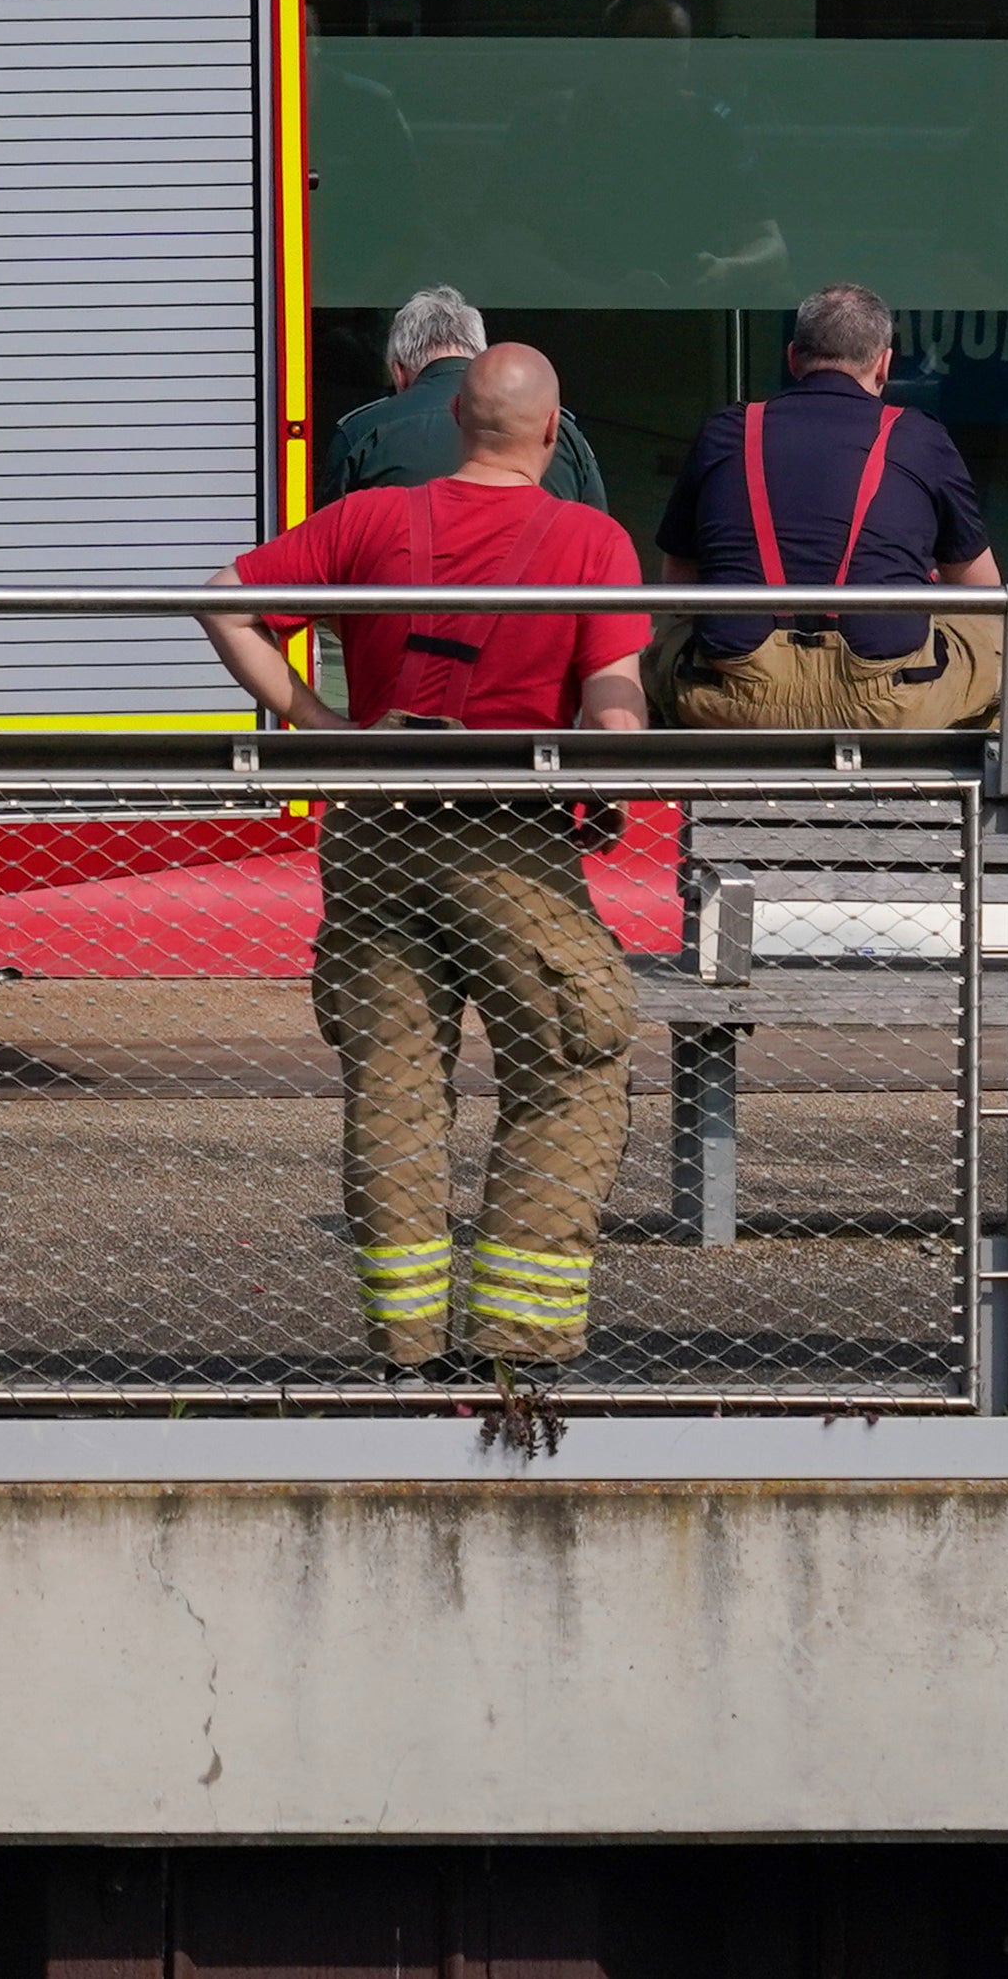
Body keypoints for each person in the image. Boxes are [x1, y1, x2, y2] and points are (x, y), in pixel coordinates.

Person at [205, 343, 655, 1374]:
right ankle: (518, 1351)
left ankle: (406, 1355)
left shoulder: (372, 521)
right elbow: (614, 701)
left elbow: (223, 597)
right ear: (553, 429)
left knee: (396, 1092)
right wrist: (603, 784)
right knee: (571, 1071)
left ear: (457, 420)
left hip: (371, 830)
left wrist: (314, 724)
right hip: (511, 841)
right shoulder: (590, 540)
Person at [656, 284, 1005, 730]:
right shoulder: (920, 437)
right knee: (1001, 640)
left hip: (731, 700)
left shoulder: (726, 430)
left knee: (663, 641)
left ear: (792, 357)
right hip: (886, 704)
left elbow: (678, 579)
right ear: (884, 364)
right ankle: (980, 788)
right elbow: (980, 589)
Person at [327, 287, 612, 510]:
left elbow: (327, 557)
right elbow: (598, 545)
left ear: (398, 373)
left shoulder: (363, 433)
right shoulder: (565, 434)